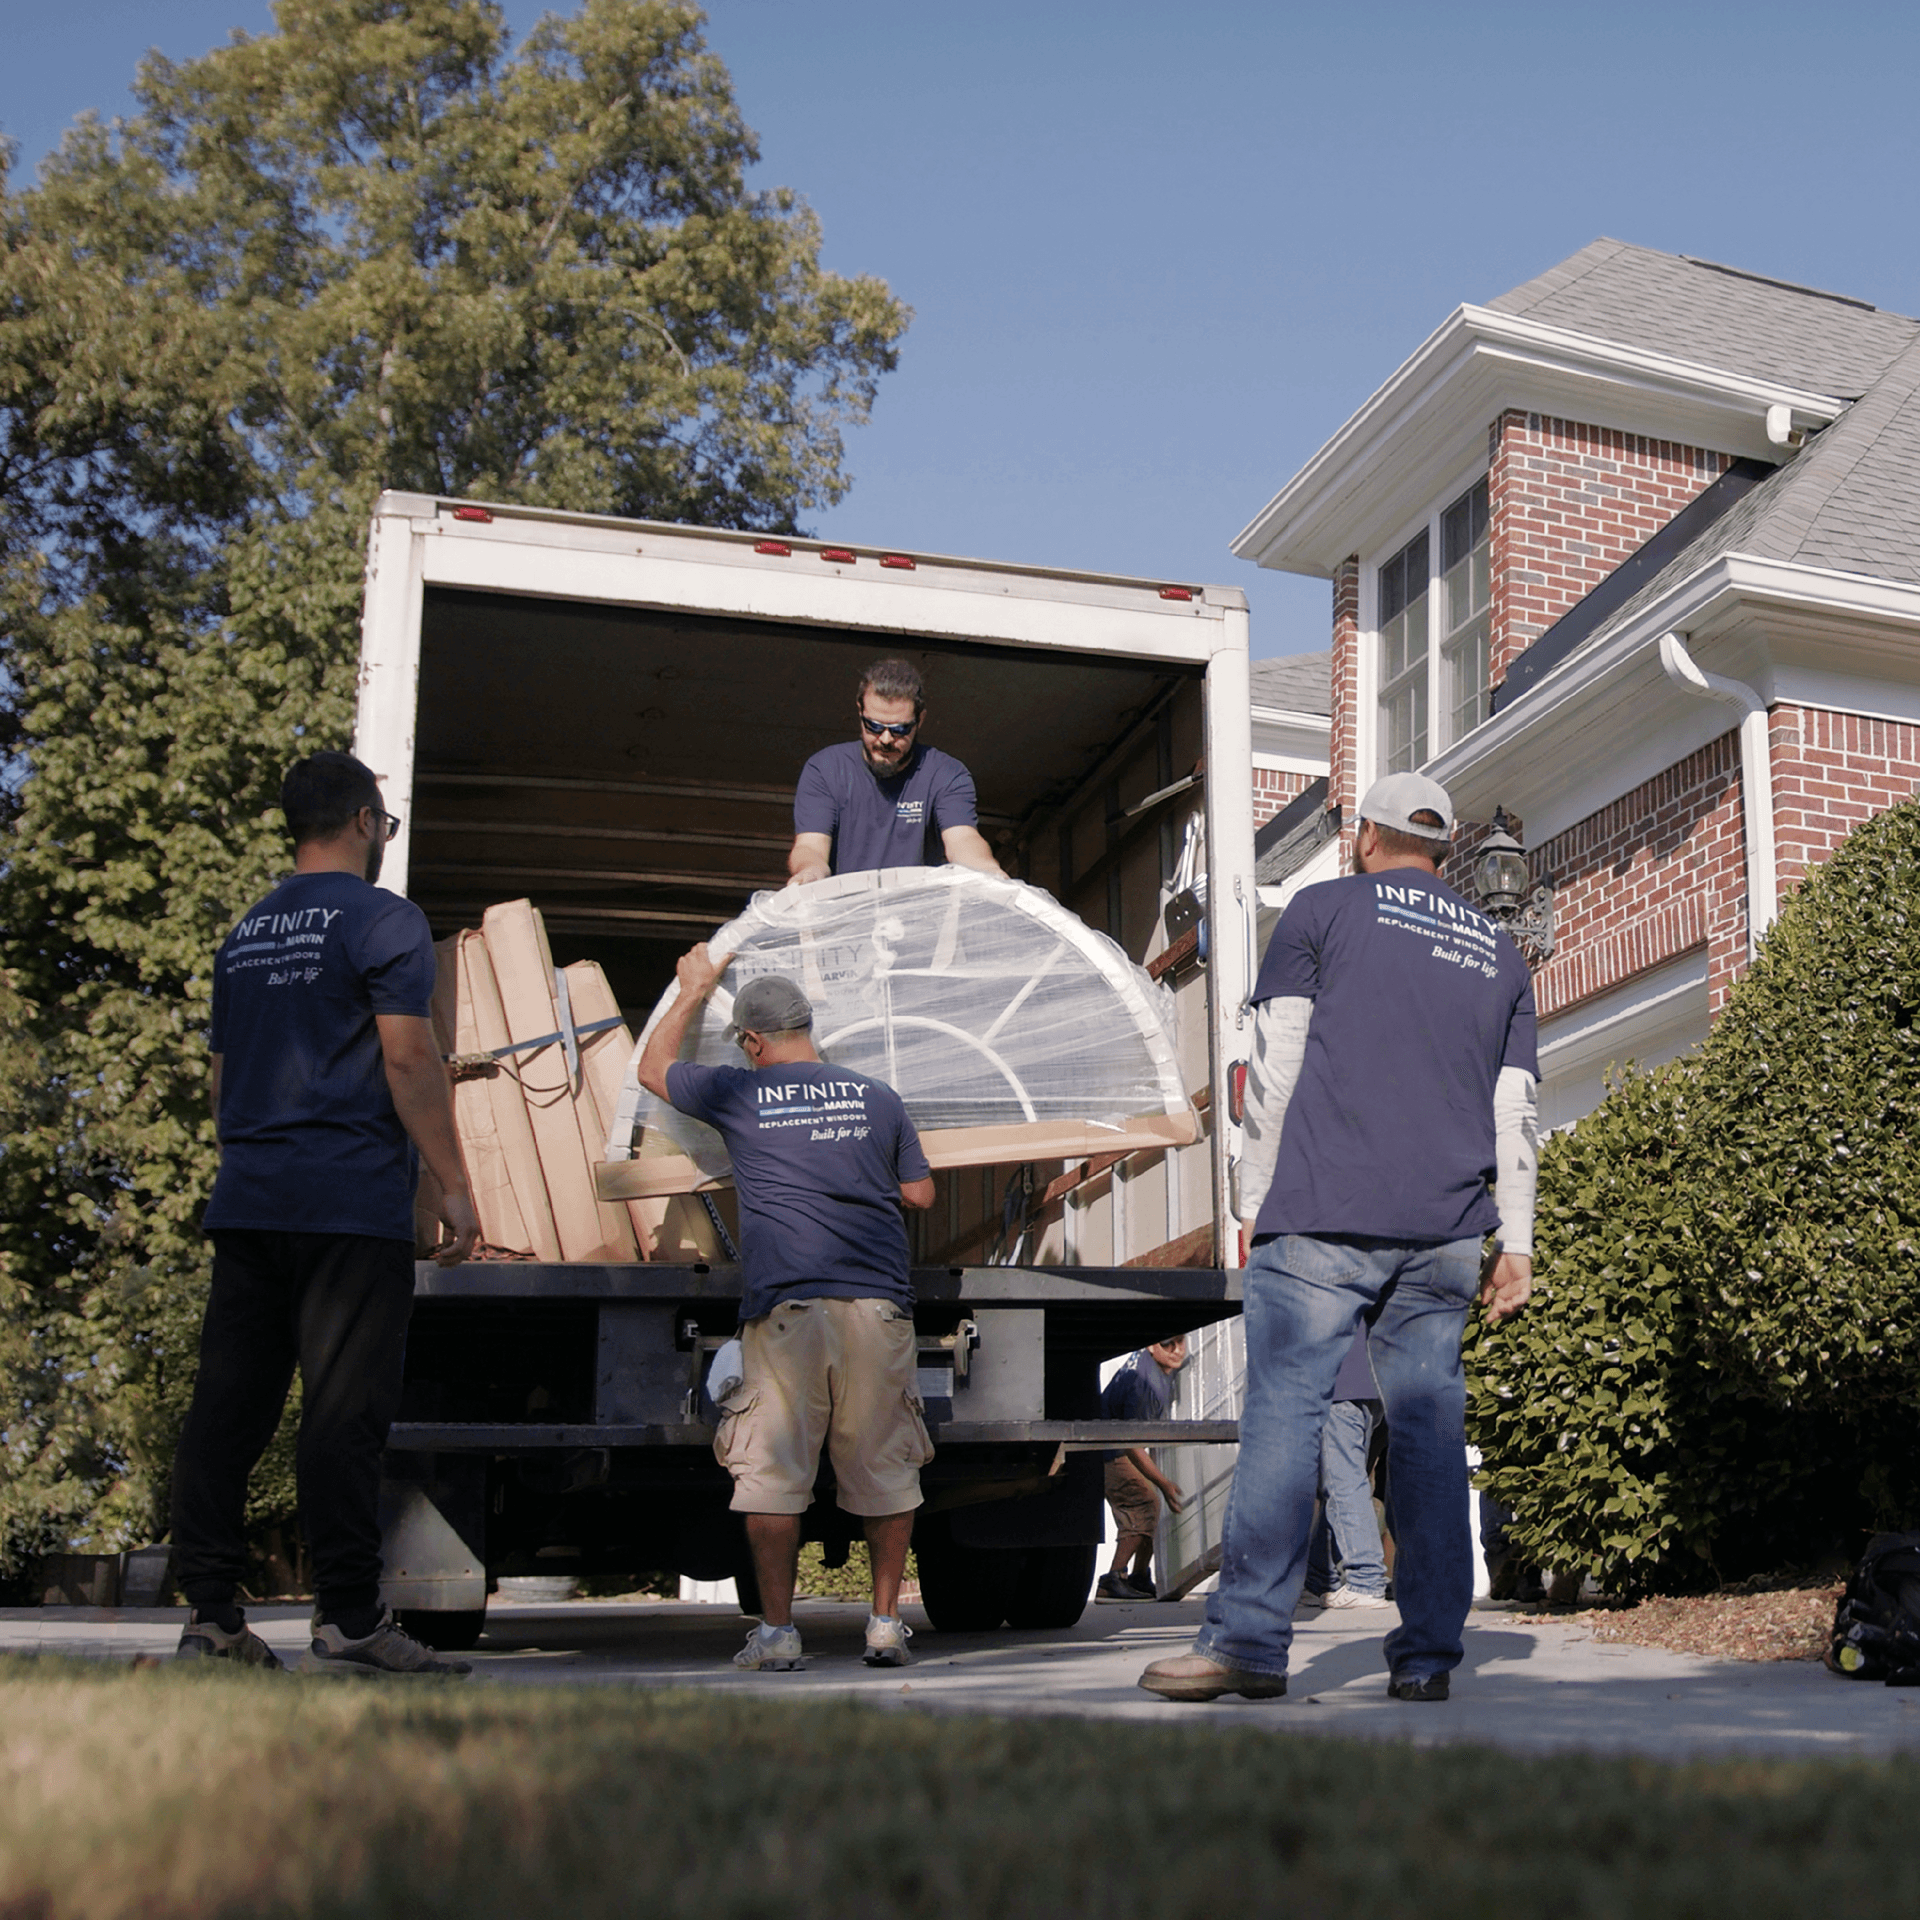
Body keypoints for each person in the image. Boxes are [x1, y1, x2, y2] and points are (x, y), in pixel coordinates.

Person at [1140, 770, 1539, 1705]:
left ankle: (1246, 1645)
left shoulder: (1322, 911)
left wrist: (1250, 1200)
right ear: (1442, 854)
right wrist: (1514, 1243)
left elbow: (1277, 1067)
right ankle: (1432, 1658)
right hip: (1446, 1231)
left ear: (1366, 837)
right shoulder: (1500, 951)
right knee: (1431, 1433)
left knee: (1287, 1411)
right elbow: (1515, 1108)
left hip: (1323, 1211)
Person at [171, 751, 481, 1675]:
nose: (383, 839)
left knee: (228, 1409)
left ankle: (213, 1617)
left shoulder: (245, 933)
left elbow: (224, 1087)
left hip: (252, 1200)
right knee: (343, 1412)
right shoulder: (386, 920)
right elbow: (409, 1061)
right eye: (382, 824)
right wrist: (453, 1183)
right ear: (359, 820)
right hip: (346, 1203)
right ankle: (347, 1617)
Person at [637, 956, 937, 1671]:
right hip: (876, 1306)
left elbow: (652, 1069)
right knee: (887, 1469)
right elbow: (920, 1196)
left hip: (786, 1310)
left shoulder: (740, 1094)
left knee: (771, 1473)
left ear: (751, 1041)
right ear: (809, 1029)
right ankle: (886, 1624)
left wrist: (694, 989)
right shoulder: (878, 1097)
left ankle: (777, 1634)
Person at [787, 657, 1006, 883]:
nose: (886, 739)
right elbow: (810, 845)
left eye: (899, 729)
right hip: (844, 911)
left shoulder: (947, 774)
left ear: (920, 720)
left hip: (915, 912)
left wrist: (988, 871)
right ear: (860, 710)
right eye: (874, 726)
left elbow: (962, 840)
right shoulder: (825, 769)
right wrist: (809, 872)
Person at [1299, 1327, 1390, 1611]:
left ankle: (1366, 1580)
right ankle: (1320, 1581)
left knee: (1343, 1485)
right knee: (1337, 1485)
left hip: (1337, 1386)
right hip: (1370, 1383)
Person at [1096, 1337, 1189, 1601]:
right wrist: (1163, 1482)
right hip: (1108, 1452)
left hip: (1116, 1445)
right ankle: (1112, 1579)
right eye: (1168, 1344)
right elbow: (1132, 1444)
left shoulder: (1154, 1366)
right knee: (1143, 1501)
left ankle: (1138, 1576)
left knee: (1152, 1502)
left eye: (1181, 1342)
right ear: (1150, 1346)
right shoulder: (1143, 1383)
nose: (1177, 1351)